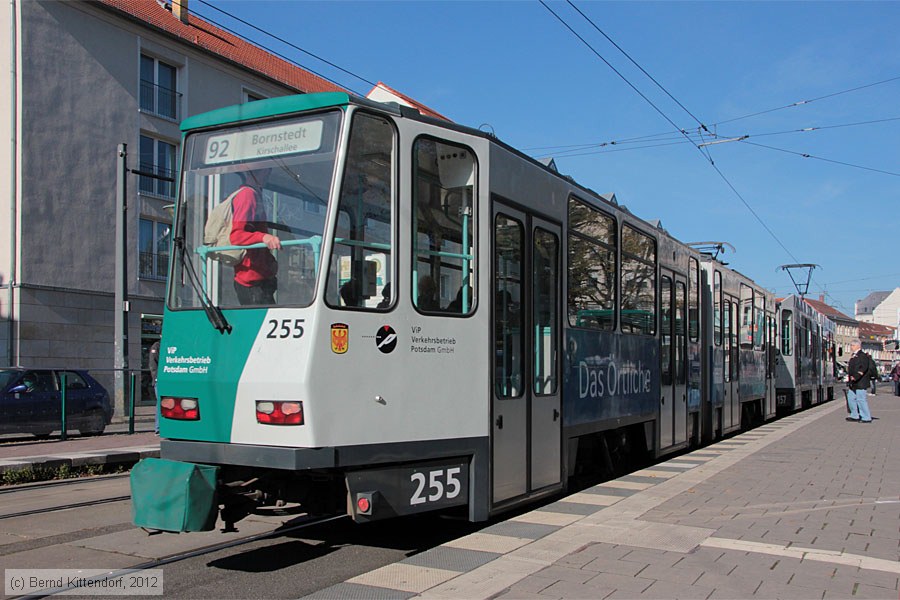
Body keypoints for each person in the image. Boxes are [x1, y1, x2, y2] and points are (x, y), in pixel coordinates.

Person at [231, 168, 281, 305]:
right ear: (254, 172)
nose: (267, 175)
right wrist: (264, 237)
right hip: (251, 280)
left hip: (260, 277)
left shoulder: (255, 195)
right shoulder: (247, 195)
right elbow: (236, 236)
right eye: (266, 171)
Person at [846, 340, 874, 423]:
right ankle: (854, 415)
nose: (851, 347)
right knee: (851, 398)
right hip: (853, 382)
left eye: (853, 345)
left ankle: (866, 417)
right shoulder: (854, 356)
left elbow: (863, 368)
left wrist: (856, 376)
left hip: (861, 381)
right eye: (851, 345)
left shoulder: (862, 356)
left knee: (861, 399)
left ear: (858, 346)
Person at [148, 340, 160, 434]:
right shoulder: (157, 346)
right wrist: (156, 377)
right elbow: (153, 364)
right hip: (159, 380)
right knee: (160, 402)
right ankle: (158, 428)